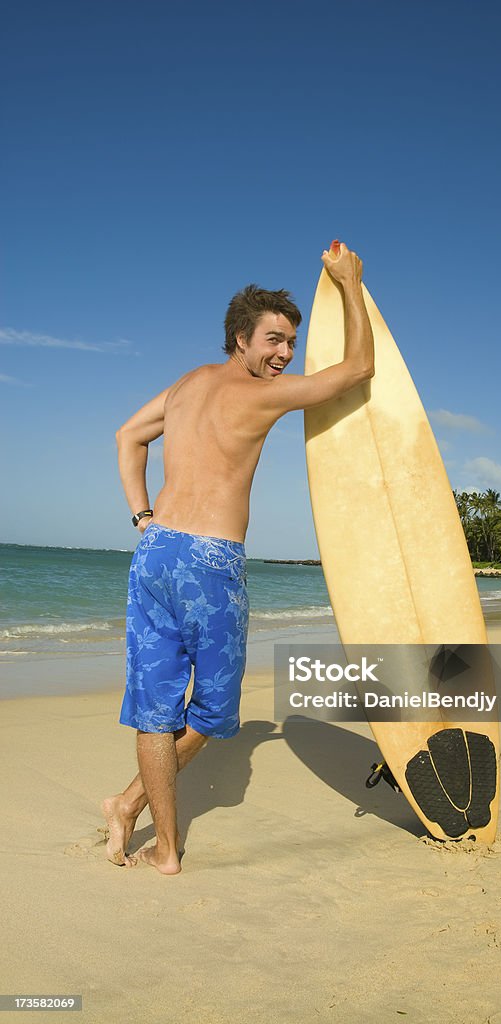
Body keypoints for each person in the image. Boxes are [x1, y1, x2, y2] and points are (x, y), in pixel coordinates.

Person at [101, 240, 374, 874]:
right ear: (240, 338)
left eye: (289, 342)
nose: (284, 354)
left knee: (155, 709)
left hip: (155, 554)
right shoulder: (260, 396)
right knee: (216, 712)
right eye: (274, 340)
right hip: (211, 566)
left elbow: (126, 435)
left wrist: (142, 516)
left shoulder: (185, 385)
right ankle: (154, 831)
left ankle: (141, 822)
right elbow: (359, 369)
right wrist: (351, 282)